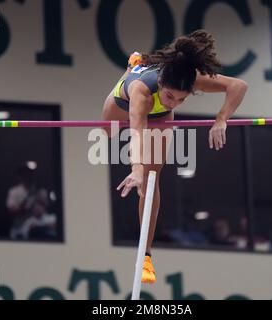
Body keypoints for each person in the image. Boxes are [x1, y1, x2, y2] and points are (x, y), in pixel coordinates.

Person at [102, 30, 248, 283]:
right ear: (160, 84)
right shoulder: (141, 92)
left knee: (152, 177)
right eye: (170, 96)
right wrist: (135, 168)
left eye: (181, 100)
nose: (174, 103)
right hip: (124, 102)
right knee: (107, 134)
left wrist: (221, 119)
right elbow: (136, 133)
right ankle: (132, 66)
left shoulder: (189, 81)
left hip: (158, 117)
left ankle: (145, 256)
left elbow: (238, 86)